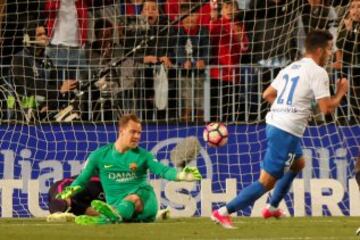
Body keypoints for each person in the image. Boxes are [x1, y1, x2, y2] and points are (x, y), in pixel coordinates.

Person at [210, 30, 349, 229]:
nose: (330, 53)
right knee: (266, 182)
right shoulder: (318, 72)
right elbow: (326, 109)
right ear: (320, 50)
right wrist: (341, 92)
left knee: (298, 163)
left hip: (276, 125)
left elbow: (267, 94)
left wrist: (290, 107)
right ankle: (222, 212)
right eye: (328, 49)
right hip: (286, 131)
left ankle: (272, 206)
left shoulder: (291, 67)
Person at [57, 113, 201, 225]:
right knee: (121, 208)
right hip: (117, 207)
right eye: (133, 132)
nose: (137, 136)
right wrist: (69, 191)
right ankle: (111, 217)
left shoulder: (144, 156)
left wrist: (182, 176)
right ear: (121, 131)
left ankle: (106, 219)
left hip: (144, 204)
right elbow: (82, 180)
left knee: (133, 198)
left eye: (139, 133)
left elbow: (163, 170)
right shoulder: (99, 156)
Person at [10, 21, 77, 122]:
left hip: (42, 109)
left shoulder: (47, 60)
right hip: (20, 111)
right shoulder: (19, 59)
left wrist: (49, 103)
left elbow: (53, 84)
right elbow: (32, 86)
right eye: (40, 35)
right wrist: (59, 90)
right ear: (29, 38)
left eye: (45, 34)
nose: (44, 37)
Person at [175, 2, 210, 122]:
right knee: (187, 104)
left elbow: (207, 48)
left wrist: (203, 60)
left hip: (201, 75)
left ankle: (199, 128)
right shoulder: (178, 32)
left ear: (198, 15)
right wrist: (183, 61)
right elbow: (177, 49)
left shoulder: (203, 31)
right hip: (185, 75)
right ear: (180, 17)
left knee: (201, 105)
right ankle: (185, 126)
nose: (190, 18)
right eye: (186, 15)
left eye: (193, 14)